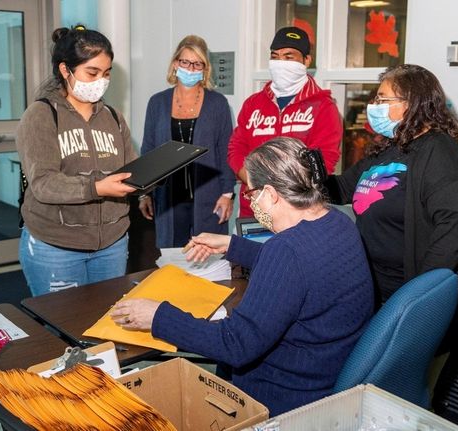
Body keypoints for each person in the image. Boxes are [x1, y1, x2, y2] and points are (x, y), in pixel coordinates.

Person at [111, 137, 373, 416]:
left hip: (284, 394)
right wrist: (233, 246)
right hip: (326, 373)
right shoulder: (338, 222)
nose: (251, 200)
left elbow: (235, 345)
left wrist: (157, 316)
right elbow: (305, 273)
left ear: (271, 194)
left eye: (251, 192)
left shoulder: (285, 251)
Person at [325, 64, 458, 347]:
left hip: (412, 300)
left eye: (383, 100)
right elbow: (340, 190)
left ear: (413, 103)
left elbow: (454, 230)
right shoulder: (388, 149)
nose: (375, 106)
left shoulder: (442, 152)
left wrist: (415, 299)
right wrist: (306, 172)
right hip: (377, 292)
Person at [16, 25, 137, 297]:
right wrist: (97, 187)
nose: (101, 81)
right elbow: (44, 184)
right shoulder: (41, 115)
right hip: (57, 246)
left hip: (112, 242)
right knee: (63, 327)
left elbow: (131, 168)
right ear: (65, 70)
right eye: (92, 73)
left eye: (106, 74)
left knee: (106, 320)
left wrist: (150, 180)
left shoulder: (114, 117)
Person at [228, 26, 342, 218]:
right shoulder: (253, 103)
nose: (280, 63)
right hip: (254, 209)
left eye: (289, 57)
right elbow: (237, 147)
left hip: (298, 212)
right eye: (275, 56)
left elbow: (324, 161)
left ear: (307, 60)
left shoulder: (323, 106)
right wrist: (252, 181)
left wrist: (285, 194)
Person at [138, 35, 236, 247]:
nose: (190, 68)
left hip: (209, 198)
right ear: (175, 64)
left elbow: (226, 151)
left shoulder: (218, 103)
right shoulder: (157, 103)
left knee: (207, 258)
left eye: (197, 63)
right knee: (173, 262)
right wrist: (144, 194)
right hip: (169, 199)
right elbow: (148, 150)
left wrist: (228, 194)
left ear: (205, 68)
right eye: (185, 62)